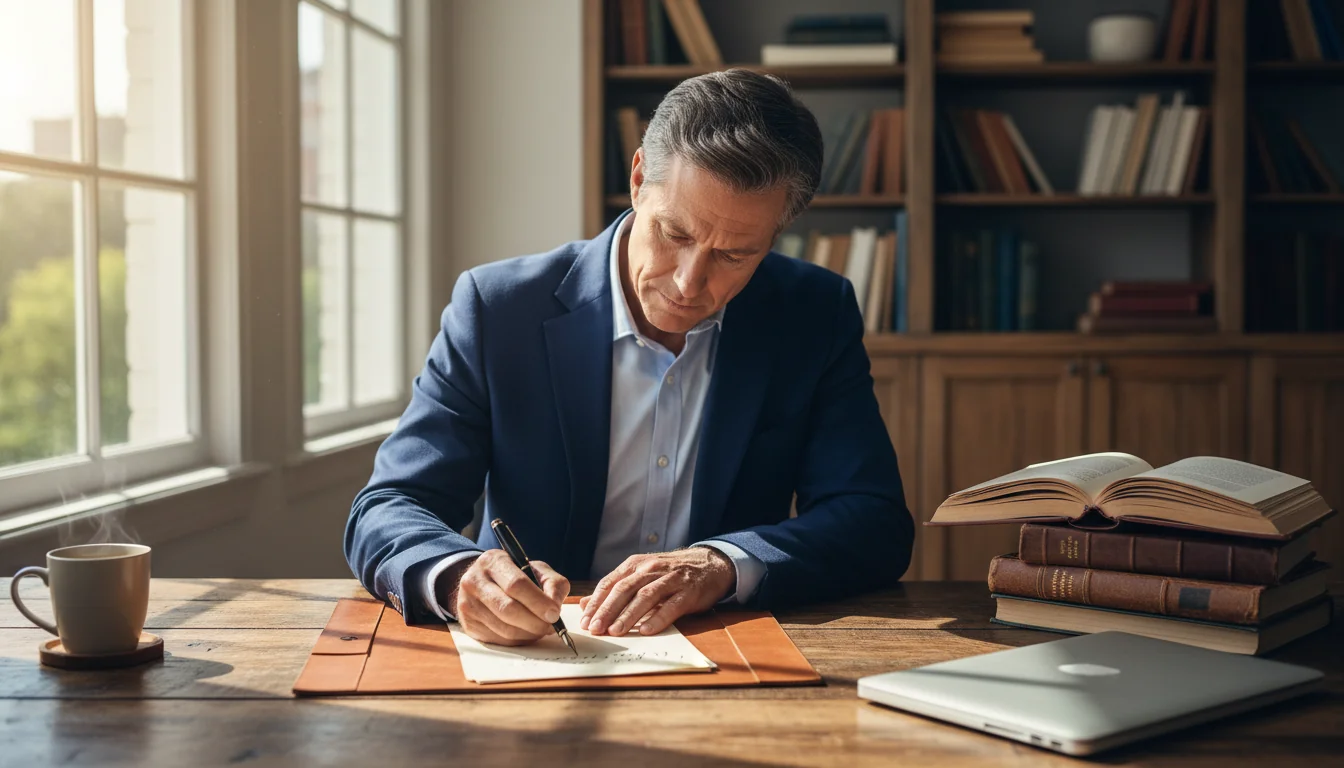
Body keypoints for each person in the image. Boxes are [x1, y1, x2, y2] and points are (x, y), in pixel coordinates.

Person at [345, 69, 913, 646]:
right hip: (534, 651)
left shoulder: (813, 313)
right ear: (639, 178)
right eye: (674, 233)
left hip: (726, 647)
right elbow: (391, 504)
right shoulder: (498, 309)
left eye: (735, 256)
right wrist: (457, 575)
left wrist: (721, 565)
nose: (690, 283)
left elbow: (873, 521)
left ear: (777, 234)